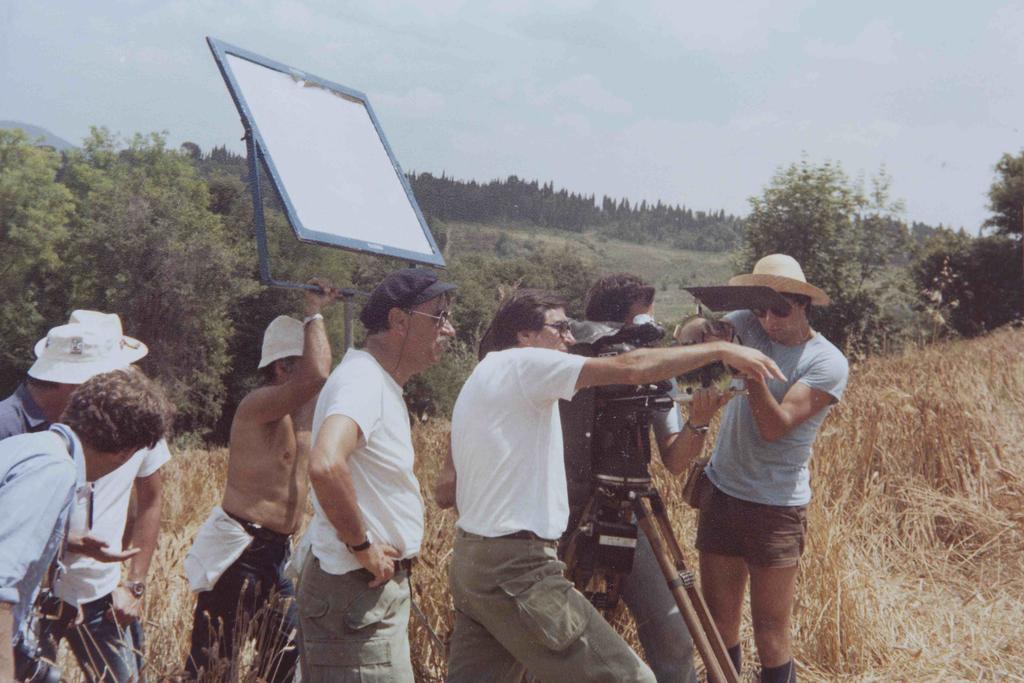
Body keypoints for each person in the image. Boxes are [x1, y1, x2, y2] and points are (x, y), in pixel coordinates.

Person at [443, 288, 785, 683]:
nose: (571, 341)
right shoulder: (522, 364)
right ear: (524, 335)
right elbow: (633, 367)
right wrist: (719, 353)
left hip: (474, 559)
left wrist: (697, 416)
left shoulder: (488, 372)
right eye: (561, 329)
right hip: (515, 565)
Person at [676, 254, 849, 683]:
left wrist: (750, 371)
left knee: (771, 634)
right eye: (761, 310)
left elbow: (774, 427)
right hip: (722, 490)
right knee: (719, 624)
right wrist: (702, 333)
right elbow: (691, 334)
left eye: (780, 310)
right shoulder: (747, 321)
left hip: (775, 507)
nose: (768, 320)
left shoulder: (826, 362)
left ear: (803, 305)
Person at [295, 268, 455, 683]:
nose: (450, 329)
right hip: (356, 594)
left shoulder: (373, 380)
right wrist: (362, 545)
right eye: (438, 317)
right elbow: (326, 463)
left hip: (358, 599)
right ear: (399, 321)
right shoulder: (363, 380)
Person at [1, 311, 172, 683]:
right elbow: (2, 583)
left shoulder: (43, 447)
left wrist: (74, 544)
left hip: (85, 593)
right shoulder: (52, 465)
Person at [184, 280, 338, 682]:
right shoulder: (258, 407)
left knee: (286, 660)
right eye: (301, 363)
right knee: (214, 665)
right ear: (283, 367)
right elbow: (318, 375)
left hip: (276, 554)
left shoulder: (307, 418)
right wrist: (314, 312)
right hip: (243, 552)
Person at [567, 273, 699, 683]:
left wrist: (702, 419)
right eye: (643, 320)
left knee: (675, 636)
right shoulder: (567, 360)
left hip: (630, 506)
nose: (649, 331)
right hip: (567, 512)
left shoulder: (655, 371)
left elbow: (675, 458)